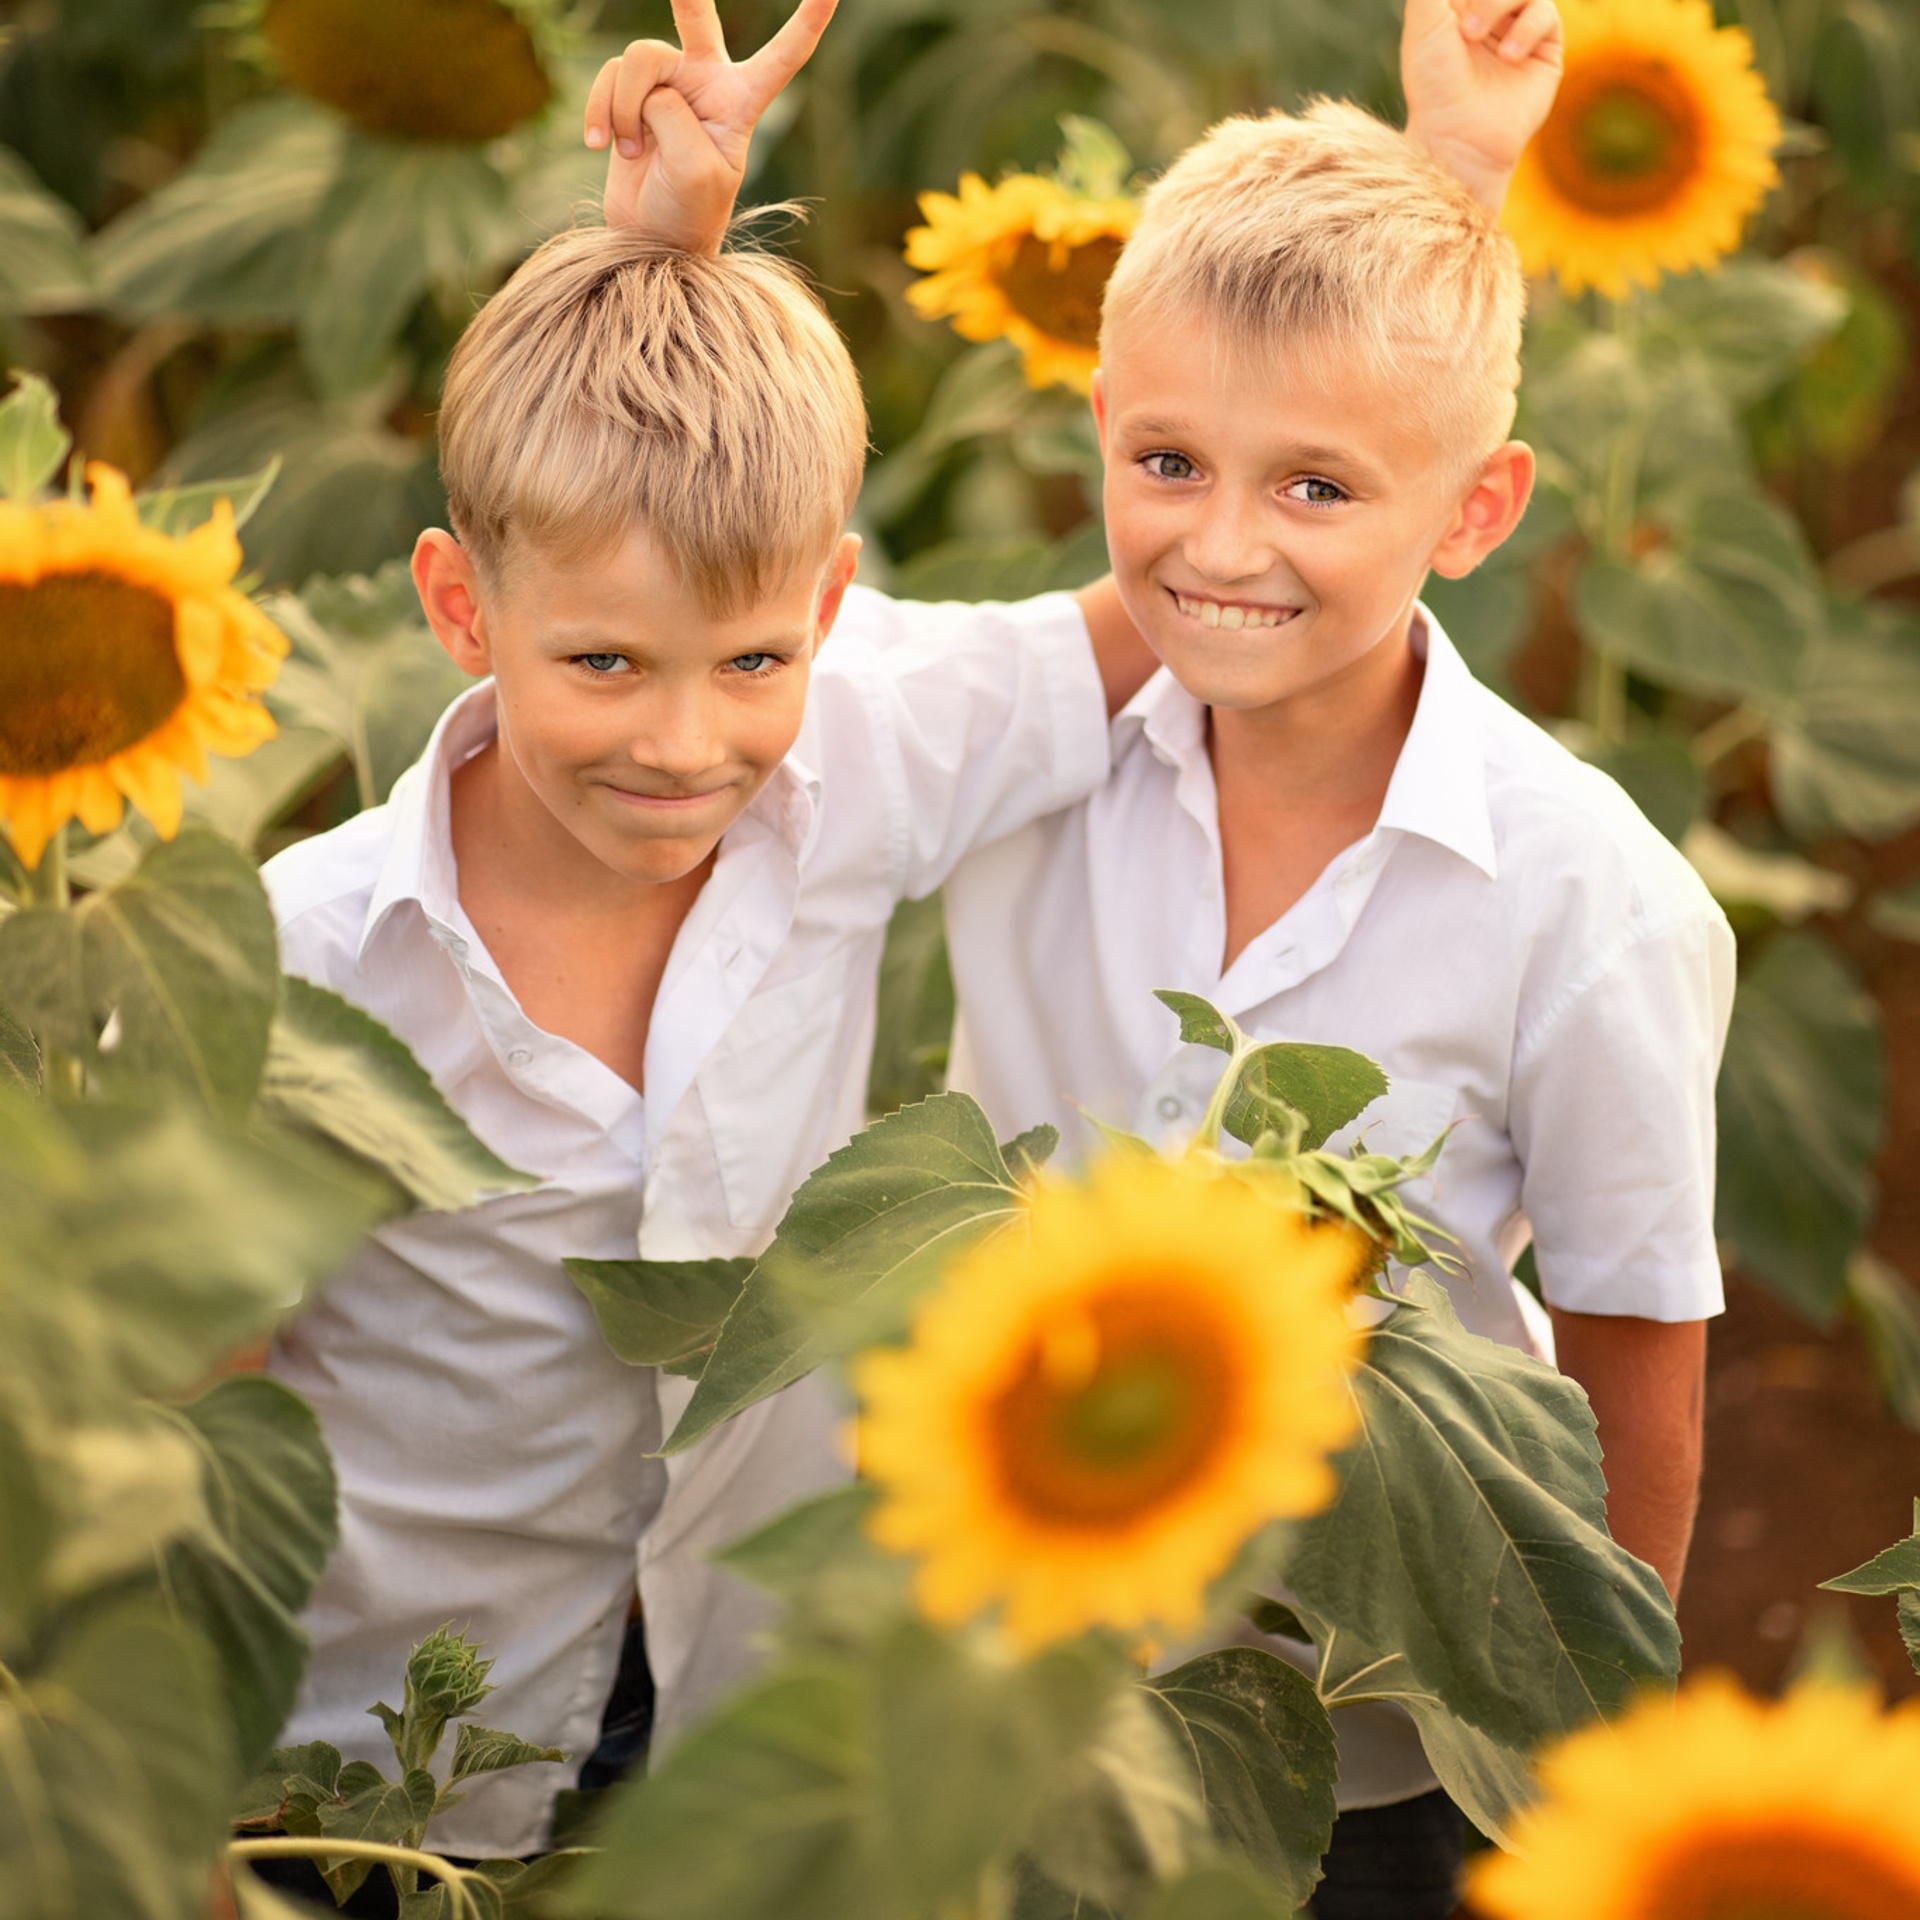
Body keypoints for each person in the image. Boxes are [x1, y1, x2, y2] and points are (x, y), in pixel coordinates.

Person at [251, 4, 1165, 1889]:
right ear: (456, 604)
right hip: (381, 1774)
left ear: (831, 598)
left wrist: (1456, 174)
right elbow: (195, 1408)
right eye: (601, 665)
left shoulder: (858, 736)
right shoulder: (310, 962)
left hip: (745, 1726)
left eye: (754, 659)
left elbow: (1176, 595)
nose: (688, 746)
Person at [933, 41, 1736, 1920]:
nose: (1220, 546)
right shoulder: (1019, 756)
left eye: (1314, 488)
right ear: (1101, 429)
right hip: (1000, 1658)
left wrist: (1577, 1774)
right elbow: (708, 675)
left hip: (1374, 1746)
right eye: (1166, 461)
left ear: (1476, 513)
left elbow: (1635, 1355)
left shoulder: (1581, 895)